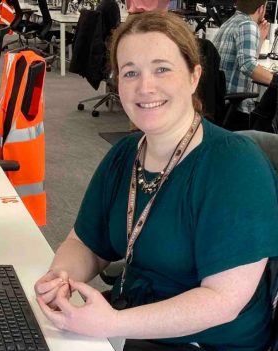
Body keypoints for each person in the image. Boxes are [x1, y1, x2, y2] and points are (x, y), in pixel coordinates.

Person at [34, 11, 278, 351]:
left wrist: (113, 323)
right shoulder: (124, 154)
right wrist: (60, 277)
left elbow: (223, 300)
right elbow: (85, 242)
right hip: (132, 322)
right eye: (130, 72)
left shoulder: (234, 165)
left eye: (162, 68)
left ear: (194, 76)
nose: (144, 87)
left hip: (206, 342)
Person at [212, 0, 277, 132]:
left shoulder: (228, 23)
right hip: (234, 106)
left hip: (218, 101)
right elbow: (247, 66)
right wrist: (276, 80)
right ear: (261, 9)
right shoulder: (248, 25)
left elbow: (247, 59)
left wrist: (260, 39)